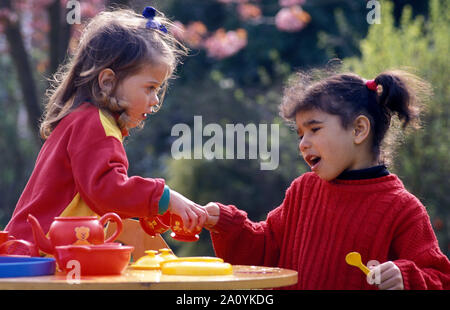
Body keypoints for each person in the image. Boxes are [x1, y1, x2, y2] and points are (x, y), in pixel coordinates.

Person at [203, 69, 450, 289]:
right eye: (300, 134)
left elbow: (441, 277)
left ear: (358, 130)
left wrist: (405, 278)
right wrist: (223, 221)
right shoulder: (303, 191)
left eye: (314, 129)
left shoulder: (402, 209)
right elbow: (265, 250)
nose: (303, 144)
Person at [6, 7, 207, 252]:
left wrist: (151, 212)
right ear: (108, 81)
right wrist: (165, 197)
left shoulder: (82, 120)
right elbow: (107, 190)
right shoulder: (94, 123)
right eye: (150, 87)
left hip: (31, 250)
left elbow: (100, 202)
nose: (155, 100)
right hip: (41, 256)